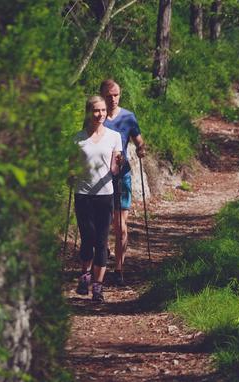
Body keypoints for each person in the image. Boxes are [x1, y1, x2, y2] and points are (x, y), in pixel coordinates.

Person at [71, 95, 122, 302]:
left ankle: (98, 286)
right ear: (88, 112)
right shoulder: (77, 138)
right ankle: (85, 276)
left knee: (101, 242)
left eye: (102, 111)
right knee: (87, 239)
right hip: (83, 194)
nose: (100, 114)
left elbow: (115, 167)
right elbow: (71, 165)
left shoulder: (114, 136)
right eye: (96, 110)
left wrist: (119, 163)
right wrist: (71, 174)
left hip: (104, 195)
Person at [100, 79, 146, 286]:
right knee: (104, 223)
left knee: (120, 225)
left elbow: (138, 140)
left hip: (122, 175)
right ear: (102, 96)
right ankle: (104, 253)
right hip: (100, 178)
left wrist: (141, 149)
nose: (113, 99)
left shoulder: (128, 117)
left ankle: (118, 269)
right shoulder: (96, 117)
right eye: (109, 95)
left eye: (116, 95)